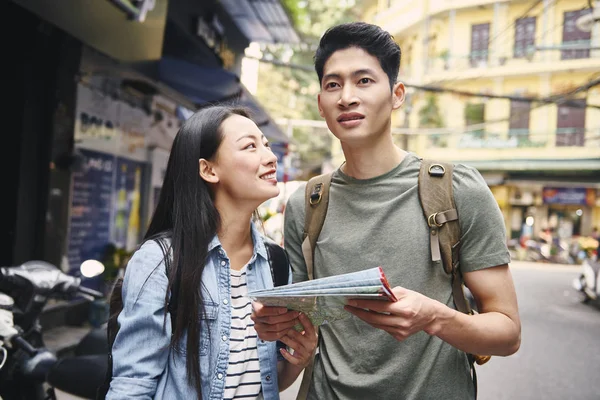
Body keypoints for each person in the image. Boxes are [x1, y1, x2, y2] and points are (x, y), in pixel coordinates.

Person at [252, 22, 521, 399]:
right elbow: (304, 326)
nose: (346, 97)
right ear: (320, 103)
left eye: (364, 81)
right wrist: (279, 325)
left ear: (397, 95)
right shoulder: (307, 203)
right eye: (333, 84)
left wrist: (434, 317)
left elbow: (508, 333)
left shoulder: (456, 190)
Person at [107, 106, 317, 400]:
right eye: (250, 147)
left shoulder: (276, 263)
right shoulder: (160, 261)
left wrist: (298, 359)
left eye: (266, 145)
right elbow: (133, 385)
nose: (270, 158)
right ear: (208, 169)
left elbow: (266, 380)